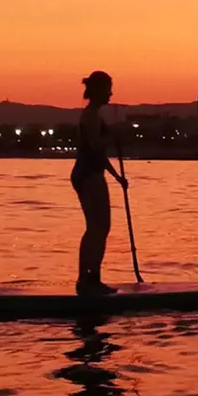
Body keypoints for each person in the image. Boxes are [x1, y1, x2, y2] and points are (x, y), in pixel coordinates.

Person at [72, 71, 128, 296]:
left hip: (92, 173)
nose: (111, 93)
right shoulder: (91, 117)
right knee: (97, 228)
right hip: (88, 175)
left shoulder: (93, 116)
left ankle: (89, 278)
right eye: (108, 88)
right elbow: (95, 147)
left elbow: (99, 154)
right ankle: (88, 280)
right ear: (98, 90)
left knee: (98, 228)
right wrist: (113, 136)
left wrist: (116, 177)